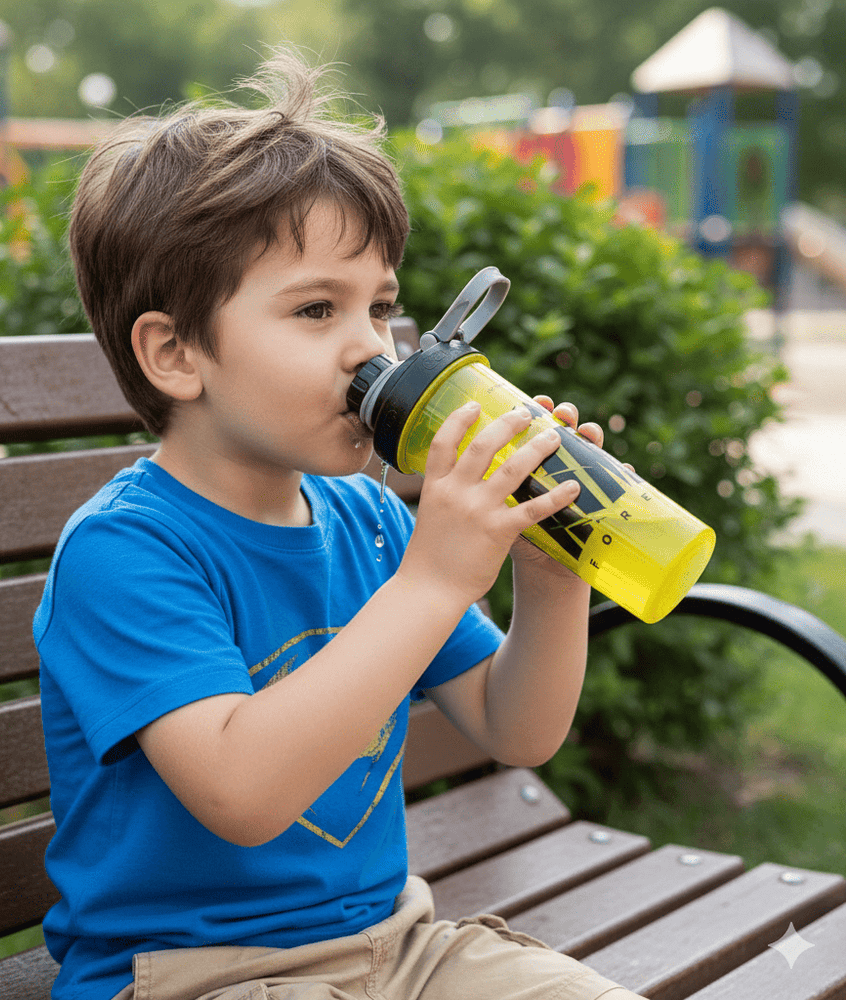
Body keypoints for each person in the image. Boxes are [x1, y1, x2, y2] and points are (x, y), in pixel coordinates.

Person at [35, 49, 647, 1000]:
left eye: (383, 308)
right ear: (177, 354)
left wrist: (556, 573)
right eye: (317, 308)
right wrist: (437, 580)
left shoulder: (365, 518)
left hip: (395, 952)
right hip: (193, 976)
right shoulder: (125, 551)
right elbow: (242, 794)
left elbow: (514, 727)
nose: (372, 346)